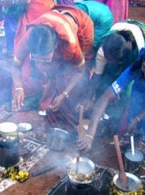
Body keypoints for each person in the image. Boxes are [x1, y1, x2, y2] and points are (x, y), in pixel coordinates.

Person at [78, 33, 145, 157]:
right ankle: (134, 142)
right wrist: (90, 135)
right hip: (144, 81)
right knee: (136, 104)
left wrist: (141, 115)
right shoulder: (137, 66)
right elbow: (105, 97)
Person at [11, 4, 94, 132]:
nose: (41, 65)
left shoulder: (69, 45)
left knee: (68, 74)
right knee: (49, 73)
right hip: (57, 18)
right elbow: (16, 65)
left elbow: (80, 70)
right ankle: (49, 104)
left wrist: (64, 94)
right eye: (37, 59)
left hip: (81, 26)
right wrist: (18, 87)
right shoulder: (29, 38)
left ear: (56, 47)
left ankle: (69, 115)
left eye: (46, 59)